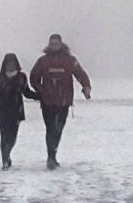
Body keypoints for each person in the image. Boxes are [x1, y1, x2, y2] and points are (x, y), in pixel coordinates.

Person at [28, 33, 92, 169]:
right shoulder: (43, 61)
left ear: (61, 44)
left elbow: (81, 74)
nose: (54, 46)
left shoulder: (70, 60)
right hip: (47, 102)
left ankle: (53, 154)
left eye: (56, 44)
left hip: (64, 101)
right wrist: (41, 90)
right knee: (50, 129)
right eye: (51, 44)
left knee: (58, 129)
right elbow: (33, 78)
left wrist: (86, 87)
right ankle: (51, 157)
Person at [0, 53, 37, 169]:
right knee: (4, 137)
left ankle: (7, 155)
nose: (10, 66)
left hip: (16, 111)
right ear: (4, 65)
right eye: (8, 64)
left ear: (17, 64)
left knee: (12, 138)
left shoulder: (21, 77)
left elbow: (26, 92)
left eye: (13, 64)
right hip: (2, 112)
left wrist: (38, 96)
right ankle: (5, 160)